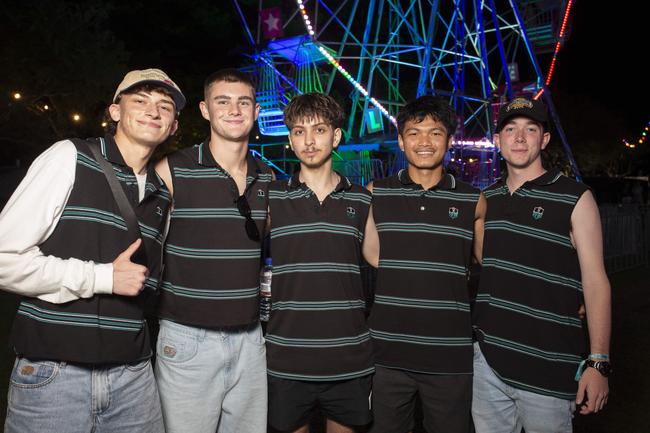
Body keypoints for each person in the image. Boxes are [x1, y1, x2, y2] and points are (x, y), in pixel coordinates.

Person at [0, 68, 185, 433]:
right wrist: (102, 277)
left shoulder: (163, 194)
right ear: (115, 112)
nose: (153, 111)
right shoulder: (69, 157)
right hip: (55, 375)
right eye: (141, 101)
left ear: (173, 126)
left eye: (165, 107)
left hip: (135, 376)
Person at [471, 97, 611, 433]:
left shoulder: (575, 198)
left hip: (549, 368)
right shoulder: (484, 200)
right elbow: (482, 260)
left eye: (530, 129)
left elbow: (595, 282)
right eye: (510, 129)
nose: (519, 137)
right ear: (498, 139)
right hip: (488, 365)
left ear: (544, 139)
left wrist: (599, 361)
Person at [154, 68, 273, 433]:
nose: (234, 110)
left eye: (243, 102)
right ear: (205, 110)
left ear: (255, 110)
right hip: (189, 339)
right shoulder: (172, 169)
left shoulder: (267, 177)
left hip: (251, 340)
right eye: (223, 102)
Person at [362, 95, 486, 433]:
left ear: (448, 139)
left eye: (435, 133)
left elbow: (493, 263)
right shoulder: (376, 193)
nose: (424, 142)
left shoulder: (472, 200)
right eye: (414, 133)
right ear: (401, 141)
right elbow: (373, 255)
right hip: (387, 353)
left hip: (449, 356)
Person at [265, 93, 374, 433]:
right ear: (290, 140)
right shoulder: (272, 199)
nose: (309, 141)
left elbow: (385, 260)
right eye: (299, 131)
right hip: (286, 358)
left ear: (336, 136)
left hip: (349, 358)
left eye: (320, 130)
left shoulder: (363, 198)